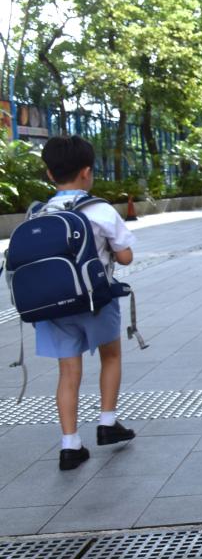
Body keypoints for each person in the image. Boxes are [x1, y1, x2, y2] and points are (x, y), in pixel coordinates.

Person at [34, 136, 137, 471]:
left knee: (67, 371)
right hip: (96, 300)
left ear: (50, 174)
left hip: (54, 305)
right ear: (87, 172)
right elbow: (125, 257)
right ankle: (107, 423)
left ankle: (70, 445)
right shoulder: (99, 210)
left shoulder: (38, 213)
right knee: (111, 355)